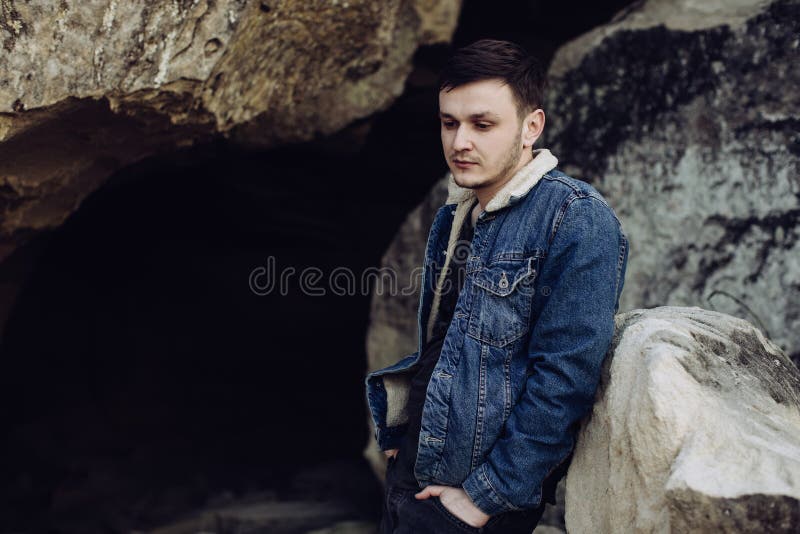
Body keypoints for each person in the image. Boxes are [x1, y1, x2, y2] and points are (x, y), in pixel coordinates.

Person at [365, 39, 629, 533]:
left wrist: (485, 498)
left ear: (532, 126)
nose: (460, 141)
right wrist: (405, 427)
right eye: (449, 123)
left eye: (482, 125)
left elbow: (565, 379)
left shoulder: (575, 218)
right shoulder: (461, 210)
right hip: (415, 470)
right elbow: (448, 340)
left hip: (473, 499)